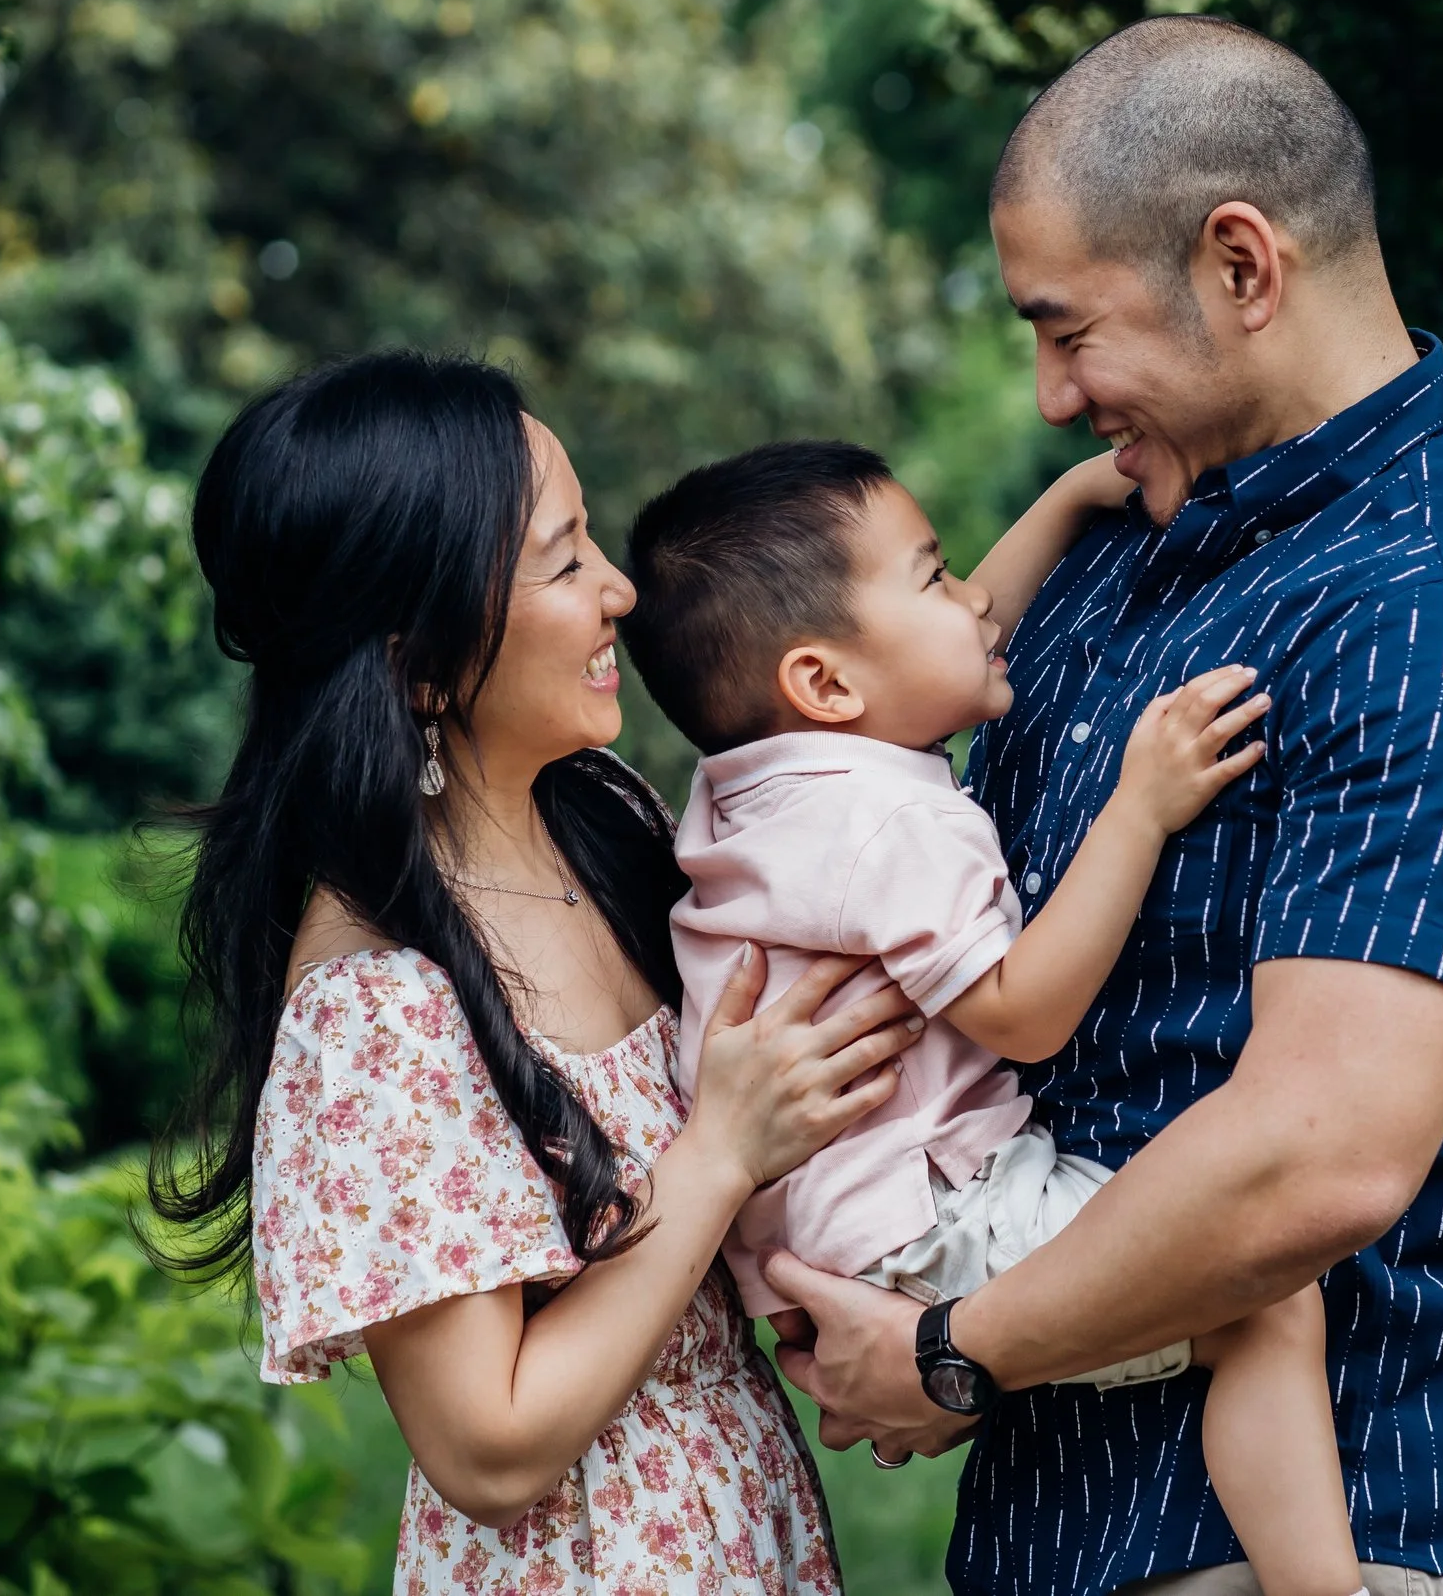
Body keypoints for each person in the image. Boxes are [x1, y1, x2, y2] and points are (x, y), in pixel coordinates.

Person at [758, 15, 1443, 1596]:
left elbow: (1318, 1155)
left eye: (1069, 330)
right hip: (1059, 1518)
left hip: (1360, 1514)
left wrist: (956, 1345)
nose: (1049, 395)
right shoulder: (1115, 549)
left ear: (1241, 265)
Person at [150, 351, 928, 1593]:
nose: (619, 588)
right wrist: (720, 1151)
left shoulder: (602, 817)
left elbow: (898, 657)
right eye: (564, 562)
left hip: (746, 1519)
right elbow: (487, 1446)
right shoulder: (374, 1006)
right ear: (417, 660)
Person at [618, 439, 1363, 1596]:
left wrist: (1071, 495)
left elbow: (943, 643)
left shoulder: (760, 783)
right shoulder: (888, 827)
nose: (975, 598)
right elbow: (1024, 1013)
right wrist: (1141, 804)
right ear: (825, 684)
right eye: (935, 575)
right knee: (1263, 1298)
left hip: (845, 1229)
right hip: (930, 1220)